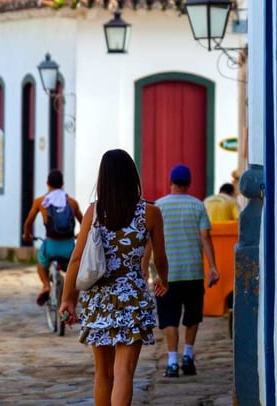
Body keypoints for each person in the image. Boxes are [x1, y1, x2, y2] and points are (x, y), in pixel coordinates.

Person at [60, 149, 168, 406]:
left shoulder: (94, 212)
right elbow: (160, 258)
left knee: (103, 373)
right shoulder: (150, 213)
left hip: (100, 299)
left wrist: (68, 300)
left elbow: (76, 259)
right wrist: (163, 279)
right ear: (133, 177)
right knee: (124, 373)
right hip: (132, 298)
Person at [146, 164, 220, 378]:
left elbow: (149, 241)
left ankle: (171, 362)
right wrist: (213, 266)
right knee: (193, 315)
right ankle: (187, 355)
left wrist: (143, 267)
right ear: (189, 183)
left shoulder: (158, 206)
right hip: (193, 272)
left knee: (169, 318)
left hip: (165, 274)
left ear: (170, 182)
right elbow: (205, 237)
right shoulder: (198, 206)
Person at [22, 169, 85, 305]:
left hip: (50, 246)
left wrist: (27, 235)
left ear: (47, 183)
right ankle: (71, 305)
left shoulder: (41, 202)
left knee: (41, 261)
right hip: (69, 248)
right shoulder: (72, 202)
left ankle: (45, 286)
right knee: (74, 275)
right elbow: (85, 223)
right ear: (62, 183)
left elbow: (28, 222)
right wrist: (79, 234)